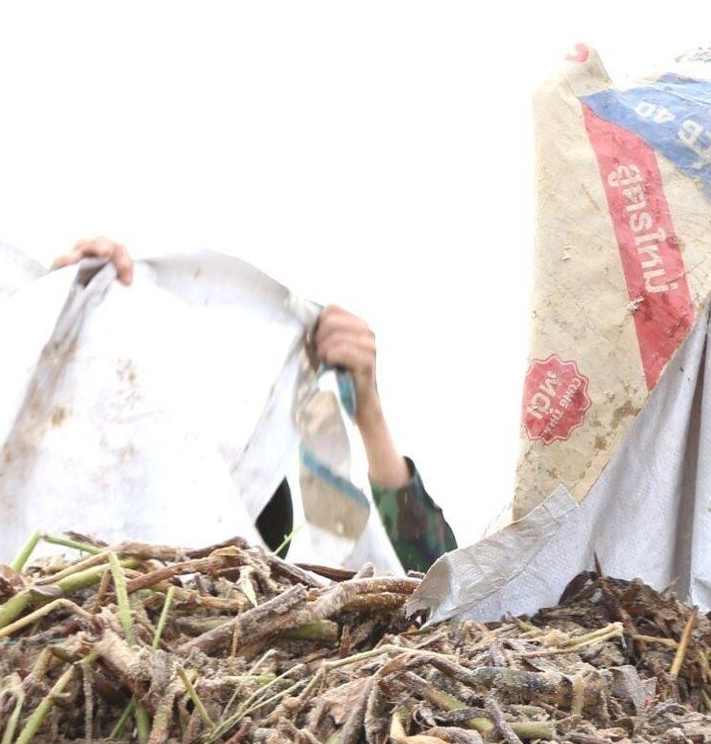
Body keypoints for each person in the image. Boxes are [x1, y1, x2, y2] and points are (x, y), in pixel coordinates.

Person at [53, 237, 457, 572]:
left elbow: (441, 590)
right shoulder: (81, 551)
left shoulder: (305, 618)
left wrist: (368, 414)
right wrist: (56, 333)